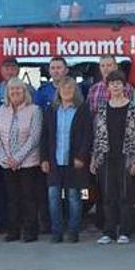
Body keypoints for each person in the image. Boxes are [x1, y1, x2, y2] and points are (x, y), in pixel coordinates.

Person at [91, 70, 135, 245]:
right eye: (112, 83)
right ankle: (109, 231)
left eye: (118, 83)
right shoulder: (102, 109)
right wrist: (94, 157)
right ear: (107, 87)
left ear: (124, 86)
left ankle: (125, 231)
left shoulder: (133, 109)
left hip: (126, 157)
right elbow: (97, 135)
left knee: (125, 196)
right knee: (107, 196)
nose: (115, 86)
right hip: (106, 156)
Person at [40, 76, 93, 243]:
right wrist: (44, 159)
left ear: (75, 91)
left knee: (73, 198)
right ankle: (56, 232)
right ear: (59, 91)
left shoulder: (83, 110)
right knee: (53, 197)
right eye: (63, 88)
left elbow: (88, 135)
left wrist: (81, 156)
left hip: (74, 162)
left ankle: (73, 232)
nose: (67, 91)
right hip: (55, 161)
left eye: (70, 88)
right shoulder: (51, 110)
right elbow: (45, 136)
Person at [0, 77, 44, 242]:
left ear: (25, 92)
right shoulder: (1, 111)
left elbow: (34, 138)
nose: (15, 92)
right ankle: (13, 230)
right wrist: (4, 158)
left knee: (28, 197)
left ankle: (30, 231)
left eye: (18, 90)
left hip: (28, 162)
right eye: (12, 90)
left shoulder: (34, 110)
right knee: (12, 198)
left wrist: (18, 158)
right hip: (7, 163)